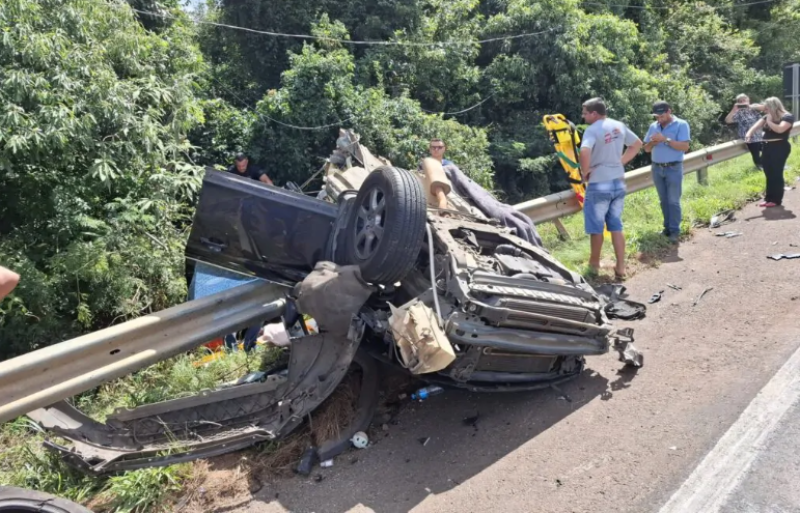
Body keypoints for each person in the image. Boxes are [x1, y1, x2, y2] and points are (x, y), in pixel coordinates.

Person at [420, 138, 544, 247]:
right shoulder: (426, 165)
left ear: (444, 149)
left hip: (463, 198)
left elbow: (463, 183)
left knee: (502, 213)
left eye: (439, 147)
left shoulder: (449, 165)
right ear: (430, 149)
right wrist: (443, 202)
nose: (436, 150)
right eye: (433, 147)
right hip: (442, 202)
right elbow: (434, 184)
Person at [578, 97, 643, 279]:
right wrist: (619, 162)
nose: (583, 117)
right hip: (617, 181)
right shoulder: (618, 125)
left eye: (585, 113)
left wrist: (585, 172)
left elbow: (584, 150)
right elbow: (637, 144)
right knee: (615, 224)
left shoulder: (592, 130)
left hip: (599, 183)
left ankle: (594, 264)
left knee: (596, 227)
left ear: (594, 113)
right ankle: (621, 267)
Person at [643, 101, 691, 243]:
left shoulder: (681, 124)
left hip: (673, 167)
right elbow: (646, 148)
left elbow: (684, 147)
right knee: (663, 201)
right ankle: (667, 228)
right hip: (657, 168)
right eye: (656, 116)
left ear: (669, 111)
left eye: (662, 115)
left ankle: (675, 231)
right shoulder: (653, 126)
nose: (659, 118)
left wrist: (665, 139)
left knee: (673, 201)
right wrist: (652, 143)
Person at [745, 97, 795, 208]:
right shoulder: (768, 115)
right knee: (768, 173)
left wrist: (769, 121)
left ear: (772, 107)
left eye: (767, 108)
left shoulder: (787, 116)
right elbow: (755, 126)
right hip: (767, 147)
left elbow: (780, 130)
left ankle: (776, 200)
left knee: (776, 173)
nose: (765, 110)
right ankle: (768, 198)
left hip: (780, 147)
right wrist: (749, 134)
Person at [724, 94, 765, 169]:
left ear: (748, 100)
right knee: (756, 153)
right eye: (740, 101)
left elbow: (766, 108)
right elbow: (728, 120)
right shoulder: (738, 113)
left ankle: (767, 164)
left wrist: (751, 106)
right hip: (749, 137)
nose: (743, 102)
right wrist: (734, 109)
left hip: (760, 135)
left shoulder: (753, 109)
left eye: (744, 100)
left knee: (771, 147)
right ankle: (760, 166)